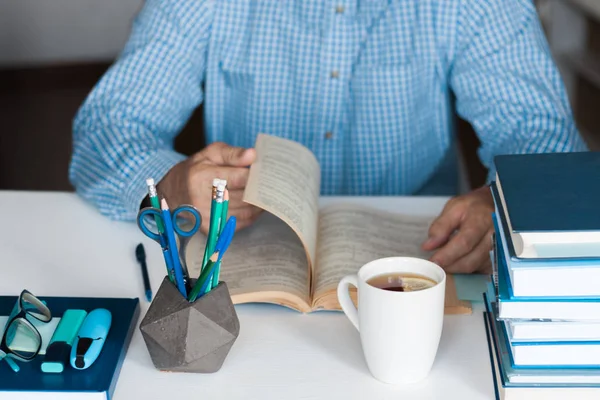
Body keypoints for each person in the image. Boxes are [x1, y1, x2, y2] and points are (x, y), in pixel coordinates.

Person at [69, 0, 587, 275]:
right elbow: (109, 125)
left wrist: (502, 204)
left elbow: (543, 137)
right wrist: (173, 185)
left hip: (427, 265)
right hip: (240, 271)